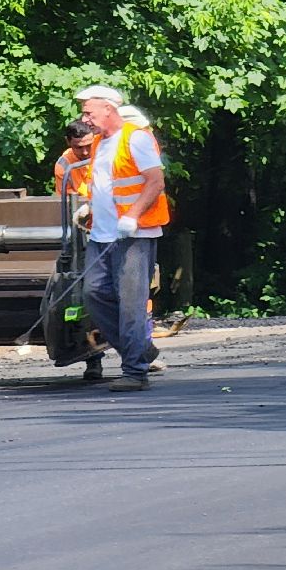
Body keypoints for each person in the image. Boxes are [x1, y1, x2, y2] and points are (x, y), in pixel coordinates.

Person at [75, 84, 169, 391]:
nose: (84, 118)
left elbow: (155, 182)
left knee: (131, 304)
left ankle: (134, 371)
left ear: (108, 109)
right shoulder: (101, 143)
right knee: (94, 294)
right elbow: (104, 182)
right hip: (102, 233)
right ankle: (141, 350)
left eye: (88, 112)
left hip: (134, 234)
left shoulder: (136, 138)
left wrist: (133, 216)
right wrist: (89, 205)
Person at [53, 119, 95, 197]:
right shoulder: (63, 165)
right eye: (79, 147)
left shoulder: (105, 154)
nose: (85, 152)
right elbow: (65, 202)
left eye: (89, 145)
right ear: (68, 142)